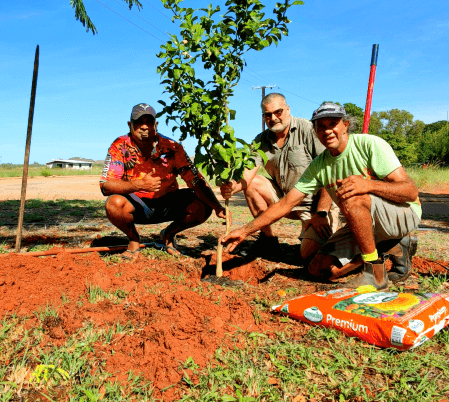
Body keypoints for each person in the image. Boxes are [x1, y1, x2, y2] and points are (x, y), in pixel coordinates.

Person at [221, 102, 421, 289]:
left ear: (345, 125)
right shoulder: (319, 166)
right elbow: (287, 202)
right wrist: (246, 230)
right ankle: (389, 245)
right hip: (362, 224)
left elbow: (410, 192)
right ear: (315, 131)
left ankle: (375, 272)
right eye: (321, 126)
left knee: (351, 193)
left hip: (401, 214)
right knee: (318, 269)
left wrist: (367, 185)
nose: (327, 130)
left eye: (333, 124)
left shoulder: (370, 145)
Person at [219, 93, 338, 259]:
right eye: (268, 115)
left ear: (288, 109)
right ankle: (268, 241)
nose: (273, 118)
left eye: (278, 112)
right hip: (284, 201)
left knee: (311, 257)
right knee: (253, 183)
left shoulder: (308, 129)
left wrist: (322, 212)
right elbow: (248, 174)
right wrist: (233, 187)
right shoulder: (261, 140)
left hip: (314, 205)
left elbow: (330, 172)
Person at [100, 103, 227, 259]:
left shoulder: (172, 147)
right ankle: (133, 239)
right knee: (114, 204)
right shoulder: (120, 146)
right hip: (137, 205)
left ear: (156, 125)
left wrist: (217, 206)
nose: (144, 127)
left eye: (149, 122)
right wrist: (139, 184)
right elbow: (105, 186)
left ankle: (168, 234)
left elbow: (194, 179)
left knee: (204, 203)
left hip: (168, 204)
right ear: (129, 125)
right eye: (139, 122)